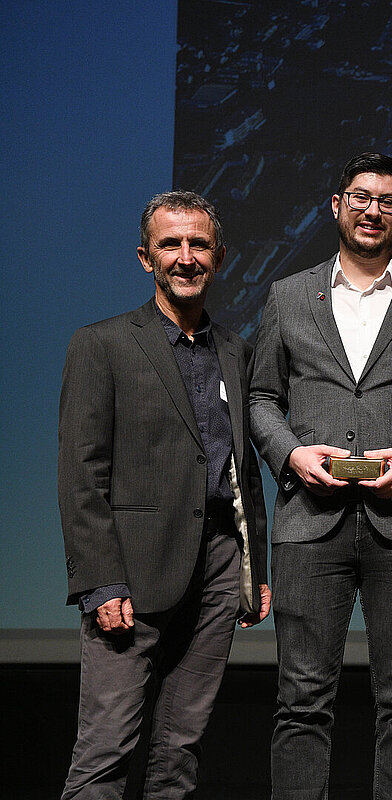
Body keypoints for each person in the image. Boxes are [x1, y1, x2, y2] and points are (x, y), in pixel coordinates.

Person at [250, 152, 392, 800]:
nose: (374, 210)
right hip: (308, 525)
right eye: (362, 197)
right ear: (337, 205)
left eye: (388, 201)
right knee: (300, 702)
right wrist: (292, 455)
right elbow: (261, 399)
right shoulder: (288, 295)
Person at [58, 190, 270, 799]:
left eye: (198, 244)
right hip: (132, 573)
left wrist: (254, 569)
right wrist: (101, 581)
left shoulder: (236, 351)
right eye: (169, 244)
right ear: (145, 258)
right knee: (105, 751)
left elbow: (243, 469)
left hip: (219, 570)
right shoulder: (101, 344)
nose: (185, 256)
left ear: (219, 257)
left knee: (180, 752)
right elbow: (81, 474)